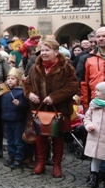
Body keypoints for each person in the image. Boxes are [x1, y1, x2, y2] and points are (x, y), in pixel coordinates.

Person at [23, 38, 79, 178]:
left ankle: (57, 164)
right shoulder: (34, 66)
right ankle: (40, 162)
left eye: (47, 50)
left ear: (56, 52)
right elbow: (27, 84)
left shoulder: (66, 67)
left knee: (57, 137)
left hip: (58, 108)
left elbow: (73, 86)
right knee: (40, 137)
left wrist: (54, 97)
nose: (44, 53)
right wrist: (29, 94)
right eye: (42, 50)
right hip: (39, 108)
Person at [0, 67, 28, 169]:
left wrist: (19, 104)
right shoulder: (5, 91)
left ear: (18, 80)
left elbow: (25, 106)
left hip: (18, 120)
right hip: (7, 119)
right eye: (8, 78)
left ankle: (18, 158)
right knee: (10, 140)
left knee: (18, 141)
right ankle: (11, 156)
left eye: (13, 78)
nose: (10, 80)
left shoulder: (21, 92)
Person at [83, 82, 105, 188]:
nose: (95, 92)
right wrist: (89, 126)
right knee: (95, 158)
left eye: (98, 90)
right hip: (95, 137)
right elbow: (87, 118)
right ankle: (93, 179)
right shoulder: (93, 105)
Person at [79, 26, 105, 111]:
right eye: (98, 37)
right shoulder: (87, 58)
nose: (101, 39)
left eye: (104, 36)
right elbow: (84, 83)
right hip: (96, 102)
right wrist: (85, 104)